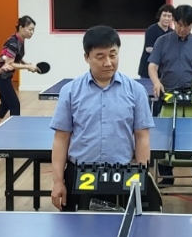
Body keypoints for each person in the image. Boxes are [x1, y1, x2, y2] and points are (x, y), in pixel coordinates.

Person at [51, 25, 154, 211]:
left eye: (113, 55)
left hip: (121, 175)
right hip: (79, 175)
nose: (108, 62)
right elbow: (61, 139)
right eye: (100, 57)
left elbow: (142, 137)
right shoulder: (70, 92)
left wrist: (142, 177)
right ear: (87, 57)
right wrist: (58, 181)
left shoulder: (136, 91)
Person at [149, 4, 192, 188]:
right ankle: (166, 177)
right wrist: (156, 82)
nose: (182, 29)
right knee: (165, 136)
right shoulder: (162, 41)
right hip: (169, 96)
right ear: (174, 22)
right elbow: (152, 66)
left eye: (186, 25)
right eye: (179, 24)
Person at [0, 16, 40, 127]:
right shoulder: (12, 43)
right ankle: (16, 130)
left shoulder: (20, 40)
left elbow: (17, 57)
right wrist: (27, 67)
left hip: (5, 76)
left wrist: (26, 63)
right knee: (14, 104)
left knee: (5, 103)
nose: (32, 32)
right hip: (1, 76)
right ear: (21, 27)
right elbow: (10, 63)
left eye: (33, 30)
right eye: (30, 29)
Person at [138, 4, 174, 117]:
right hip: (147, 71)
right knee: (147, 98)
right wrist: (165, 54)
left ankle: (158, 119)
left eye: (169, 16)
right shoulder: (152, 30)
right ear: (160, 16)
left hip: (163, 72)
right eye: (164, 15)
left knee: (160, 99)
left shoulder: (172, 32)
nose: (166, 18)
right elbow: (149, 49)